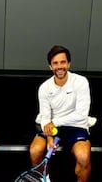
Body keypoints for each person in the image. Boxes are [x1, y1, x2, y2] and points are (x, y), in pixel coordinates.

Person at [29, 45, 92, 182]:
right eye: (55, 63)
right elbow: (45, 116)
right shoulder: (44, 88)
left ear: (69, 64)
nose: (59, 66)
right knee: (35, 151)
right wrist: (50, 137)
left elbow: (81, 115)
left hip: (76, 126)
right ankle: (43, 179)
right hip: (52, 127)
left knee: (83, 156)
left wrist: (55, 123)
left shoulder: (81, 82)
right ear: (50, 67)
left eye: (63, 62)